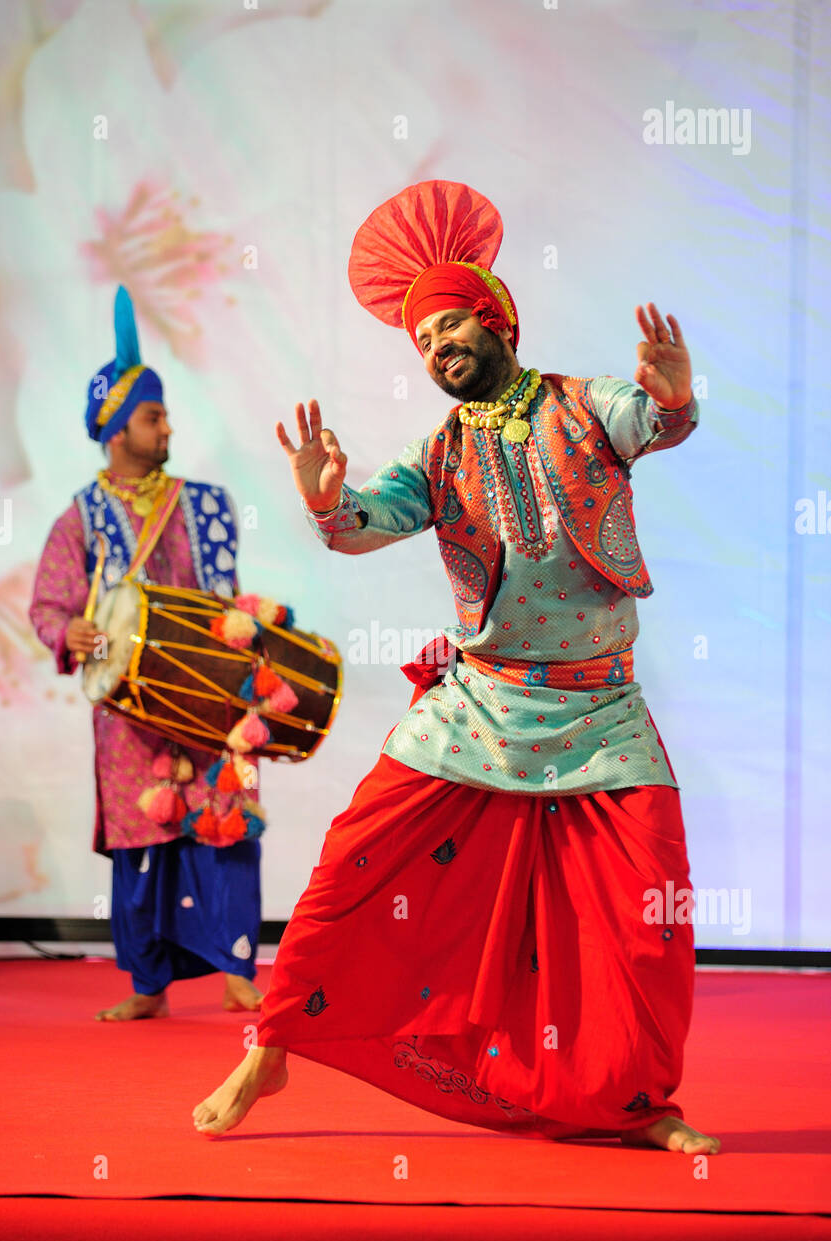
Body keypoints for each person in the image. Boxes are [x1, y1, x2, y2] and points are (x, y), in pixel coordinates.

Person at [193, 180, 720, 1154]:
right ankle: (272, 1041)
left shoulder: (585, 404)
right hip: (479, 704)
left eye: (448, 330)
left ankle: (637, 1103)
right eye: (423, 343)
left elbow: (652, 422)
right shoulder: (437, 454)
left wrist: (671, 395)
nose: (437, 350)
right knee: (351, 870)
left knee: (647, 915)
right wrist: (323, 499)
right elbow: (363, 525)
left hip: (600, 710)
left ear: (494, 320)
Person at [30, 287, 264, 1021]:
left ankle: (236, 971)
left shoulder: (202, 503)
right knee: (142, 840)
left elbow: (225, 596)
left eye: (163, 415)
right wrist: (66, 632)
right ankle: (148, 987)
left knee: (223, 824)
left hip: (206, 695)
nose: (167, 427)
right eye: (152, 416)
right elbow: (49, 602)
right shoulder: (81, 515)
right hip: (127, 710)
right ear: (115, 428)